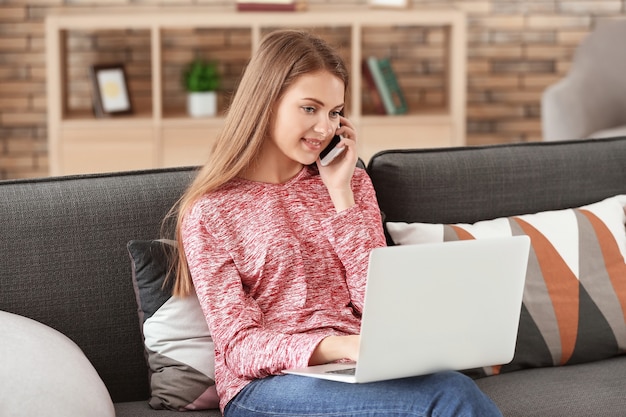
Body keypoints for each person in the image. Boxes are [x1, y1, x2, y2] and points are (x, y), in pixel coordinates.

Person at [170, 29, 503, 417]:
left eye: (334, 112)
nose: (325, 129)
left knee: (450, 386)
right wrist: (340, 346)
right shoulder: (211, 211)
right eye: (309, 109)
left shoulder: (351, 182)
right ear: (265, 102)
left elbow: (378, 303)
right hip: (264, 388)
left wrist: (341, 194)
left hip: (358, 368)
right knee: (449, 397)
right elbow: (238, 346)